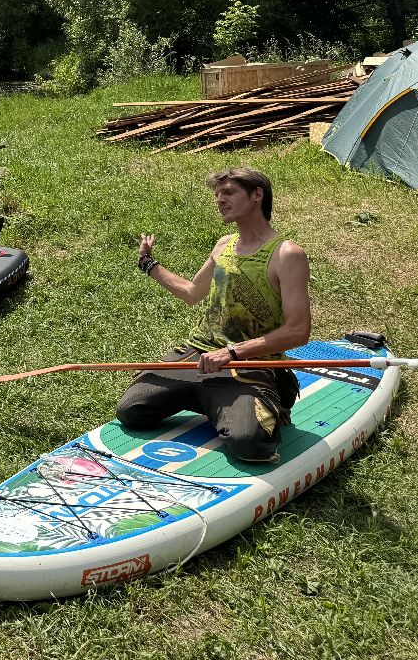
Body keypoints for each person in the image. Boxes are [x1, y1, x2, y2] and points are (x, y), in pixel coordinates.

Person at [119, 167, 312, 463]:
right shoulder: (224, 244)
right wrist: (147, 263)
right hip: (197, 357)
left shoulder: (286, 254)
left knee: (250, 444)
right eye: (217, 195)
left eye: (229, 192)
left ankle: (254, 406)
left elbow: (298, 331)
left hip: (246, 369)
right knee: (131, 410)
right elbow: (191, 292)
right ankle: (211, 402)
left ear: (256, 195)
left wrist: (232, 351)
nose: (219, 200)